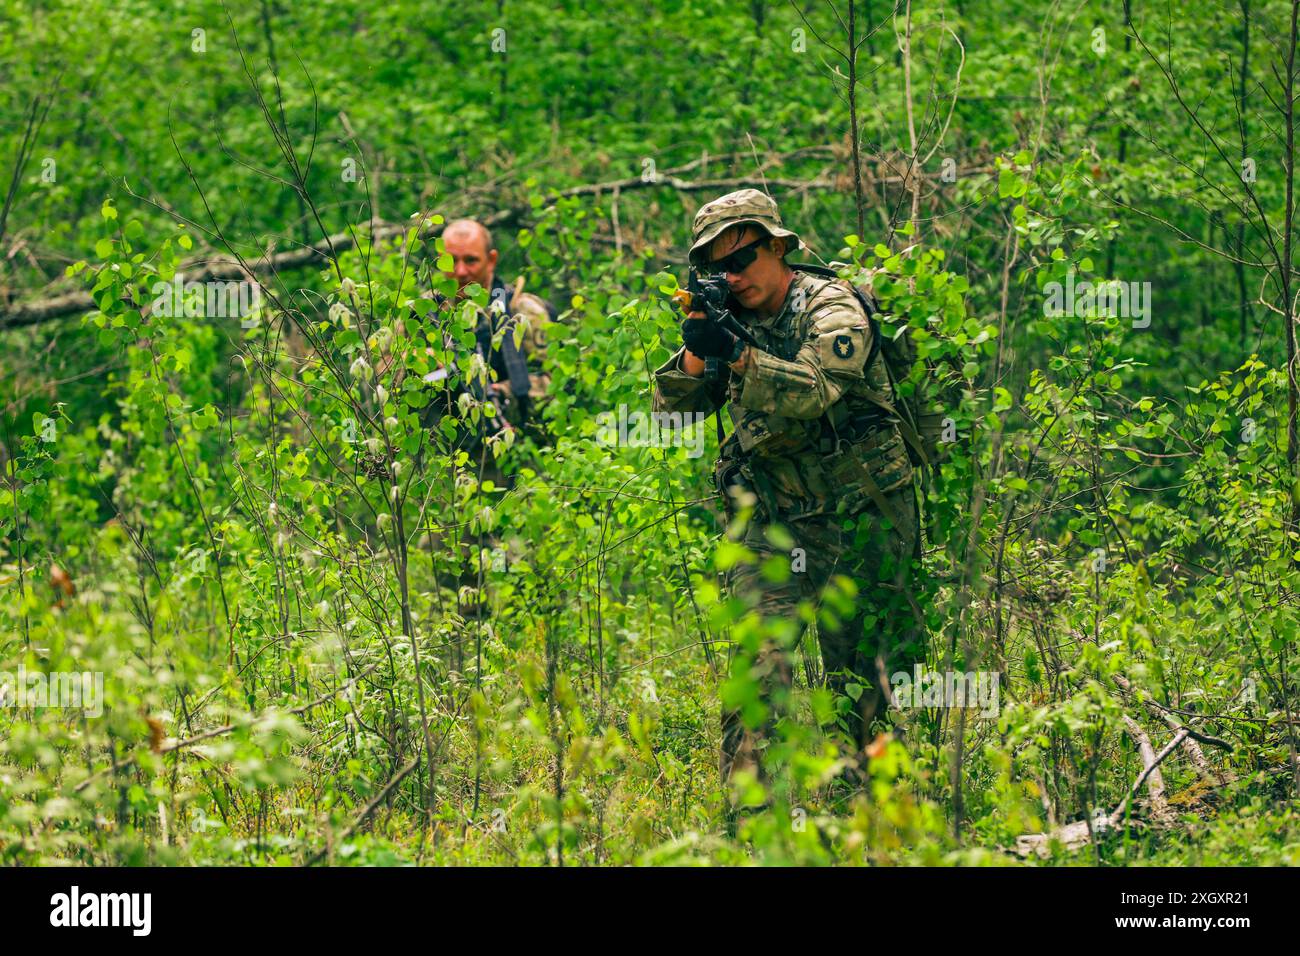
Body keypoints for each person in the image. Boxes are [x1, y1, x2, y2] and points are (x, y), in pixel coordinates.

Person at [651, 189, 924, 790]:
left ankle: (870, 825)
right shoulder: (730, 315)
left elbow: (816, 388)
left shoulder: (830, 306)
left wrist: (740, 357)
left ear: (778, 246)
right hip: (775, 518)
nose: (730, 277)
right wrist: (702, 348)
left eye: (741, 259)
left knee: (861, 685)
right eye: (713, 268)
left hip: (861, 515)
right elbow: (671, 413)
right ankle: (753, 828)